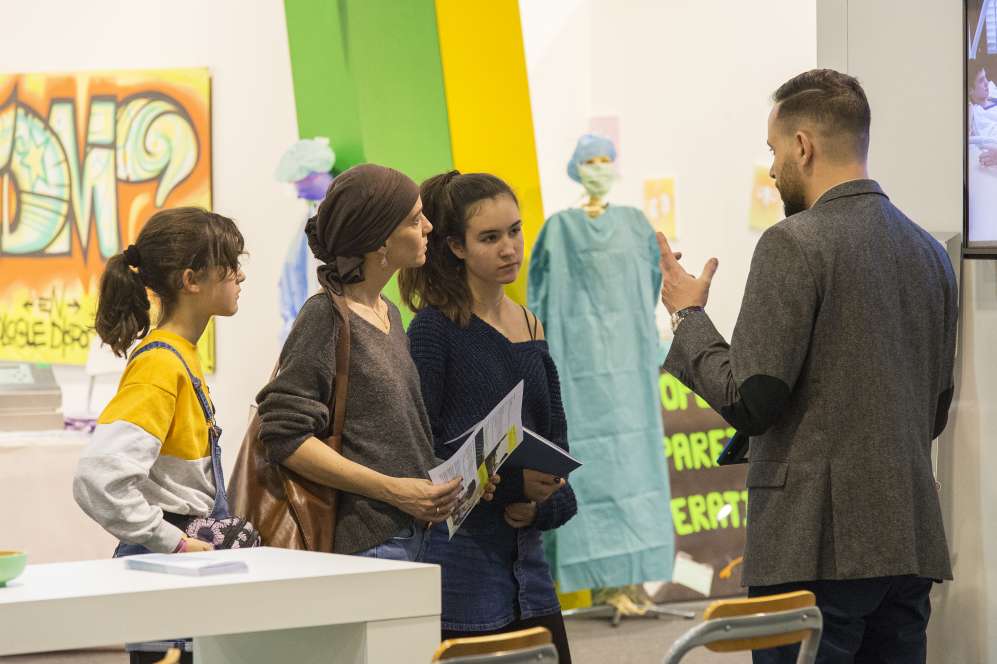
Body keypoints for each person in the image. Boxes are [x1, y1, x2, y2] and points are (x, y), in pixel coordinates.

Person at [658, 69, 957, 662]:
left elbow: (753, 400)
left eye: (773, 150)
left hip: (812, 548)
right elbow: (936, 410)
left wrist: (688, 317)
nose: (772, 170)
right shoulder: (930, 252)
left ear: (802, 146)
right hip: (908, 539)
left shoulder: (793, 242)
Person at [400, 171, 577, 664]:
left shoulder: (531, 323)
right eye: (490, 237)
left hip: (529, 565)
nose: (509, 249)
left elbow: (558, 448)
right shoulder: (432, 329)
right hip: (461, 563)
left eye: (515, 231)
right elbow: (421, 451)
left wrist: (543, 501)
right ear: (456, 247)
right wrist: (506, 482)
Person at [256, 163, 471, 561]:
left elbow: (389, 440)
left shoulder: (389, 313)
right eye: (414, 220)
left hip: (409, 535)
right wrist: (395, 491)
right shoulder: (326, 316)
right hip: (371, 543)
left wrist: (456, 480)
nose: (428, 227)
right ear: (380, 242)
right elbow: (286, 438)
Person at [73, 207, 247, 664]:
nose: (241, 275)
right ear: (191, 280)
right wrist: (174, 541)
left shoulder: (181, 356)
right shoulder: (159, 365)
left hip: (180, 573)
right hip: (167, 574)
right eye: (230, 264)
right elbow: (97, 479)